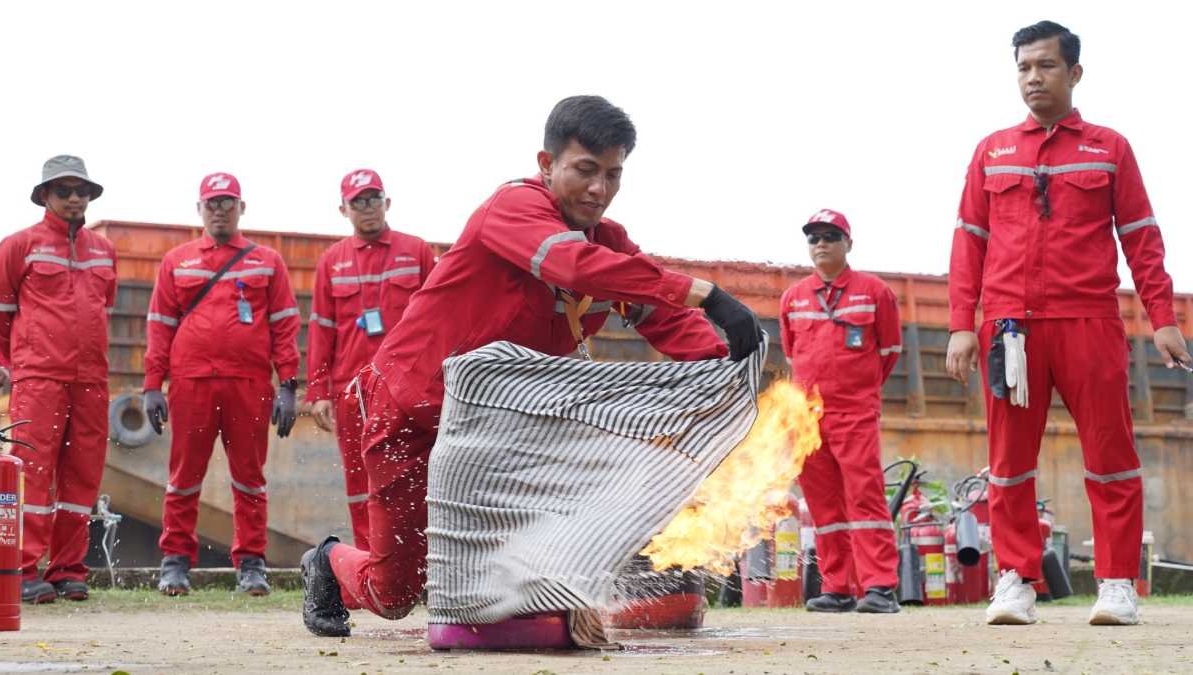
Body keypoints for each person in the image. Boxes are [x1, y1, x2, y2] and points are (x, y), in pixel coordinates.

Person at [300, 95, 764, 637]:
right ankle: (329, 563)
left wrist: (729, 372)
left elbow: (658, 315)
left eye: (614, 175)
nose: (600, 190)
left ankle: (570, 604)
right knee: (395, 592)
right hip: (412, 412)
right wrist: (705, 293)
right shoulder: (514, 208)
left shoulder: (608, 244)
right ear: (547, 165)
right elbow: (572, 265)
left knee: (519, 562)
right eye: (585, 171)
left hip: (494, 431)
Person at [946, 21, 1189, 626]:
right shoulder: (992, 150)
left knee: (1111, 457)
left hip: (1089, 323)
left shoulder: (1110, 147)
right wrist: (958, 325)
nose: (1033, 77)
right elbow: (968, 243)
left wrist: (1163, 318)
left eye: (1046, 66)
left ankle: (1114, 584)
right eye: (1024, 67)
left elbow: (1141, 237)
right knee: (1008, 463)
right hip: (1009, 332)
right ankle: (1016, 582)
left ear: (1075, 72)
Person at [143, 173, 301, 597]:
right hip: (191, 383)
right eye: (211, 203)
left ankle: (251, 564)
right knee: (183, 476)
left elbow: (285, 325)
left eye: (227, 202)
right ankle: (175, 562)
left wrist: (288, 385)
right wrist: (152, 384)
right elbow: (159, 325)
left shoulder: (267, 261)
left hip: (248, 384)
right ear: (199, 209)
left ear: (241, 208)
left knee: (250, 478)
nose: (219, 209)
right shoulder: (177, 261)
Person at [0, 155, 117, 604]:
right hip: (39, 377)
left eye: (81, 191)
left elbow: (104, 304)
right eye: (63, 191)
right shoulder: (18, 246)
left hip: (91, 379)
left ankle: (68, 569)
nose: (73, 198)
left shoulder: (104, 251)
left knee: (83, 476)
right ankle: (23, 569)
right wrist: (1, 362)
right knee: (33, 472)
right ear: (44, 196)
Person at [779, 209, 902, 614]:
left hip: (854, 413)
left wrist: (855, 390)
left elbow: (888, 352)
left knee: (865, 497)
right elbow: (791, 352)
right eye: (813, 238)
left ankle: (880, 586)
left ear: (848, 243)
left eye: (830, 237)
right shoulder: (793, 298)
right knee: (823, 505)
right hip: (807, 418)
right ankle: (839, 587)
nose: (821, 245)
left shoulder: (874, 292)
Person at [306, 169, 436, 550]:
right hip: (352, 389)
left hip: (409, 387)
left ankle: (421, 564)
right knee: (359, 478)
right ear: (343, 209)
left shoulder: (417, 252)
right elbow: (321, 330)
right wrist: (318, 390)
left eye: (374, 198)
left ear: (387, 203)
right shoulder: (332, 262)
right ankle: (371, 562)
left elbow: (437, 319)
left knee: (417, 472)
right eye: (358, 201)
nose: (367, 208)